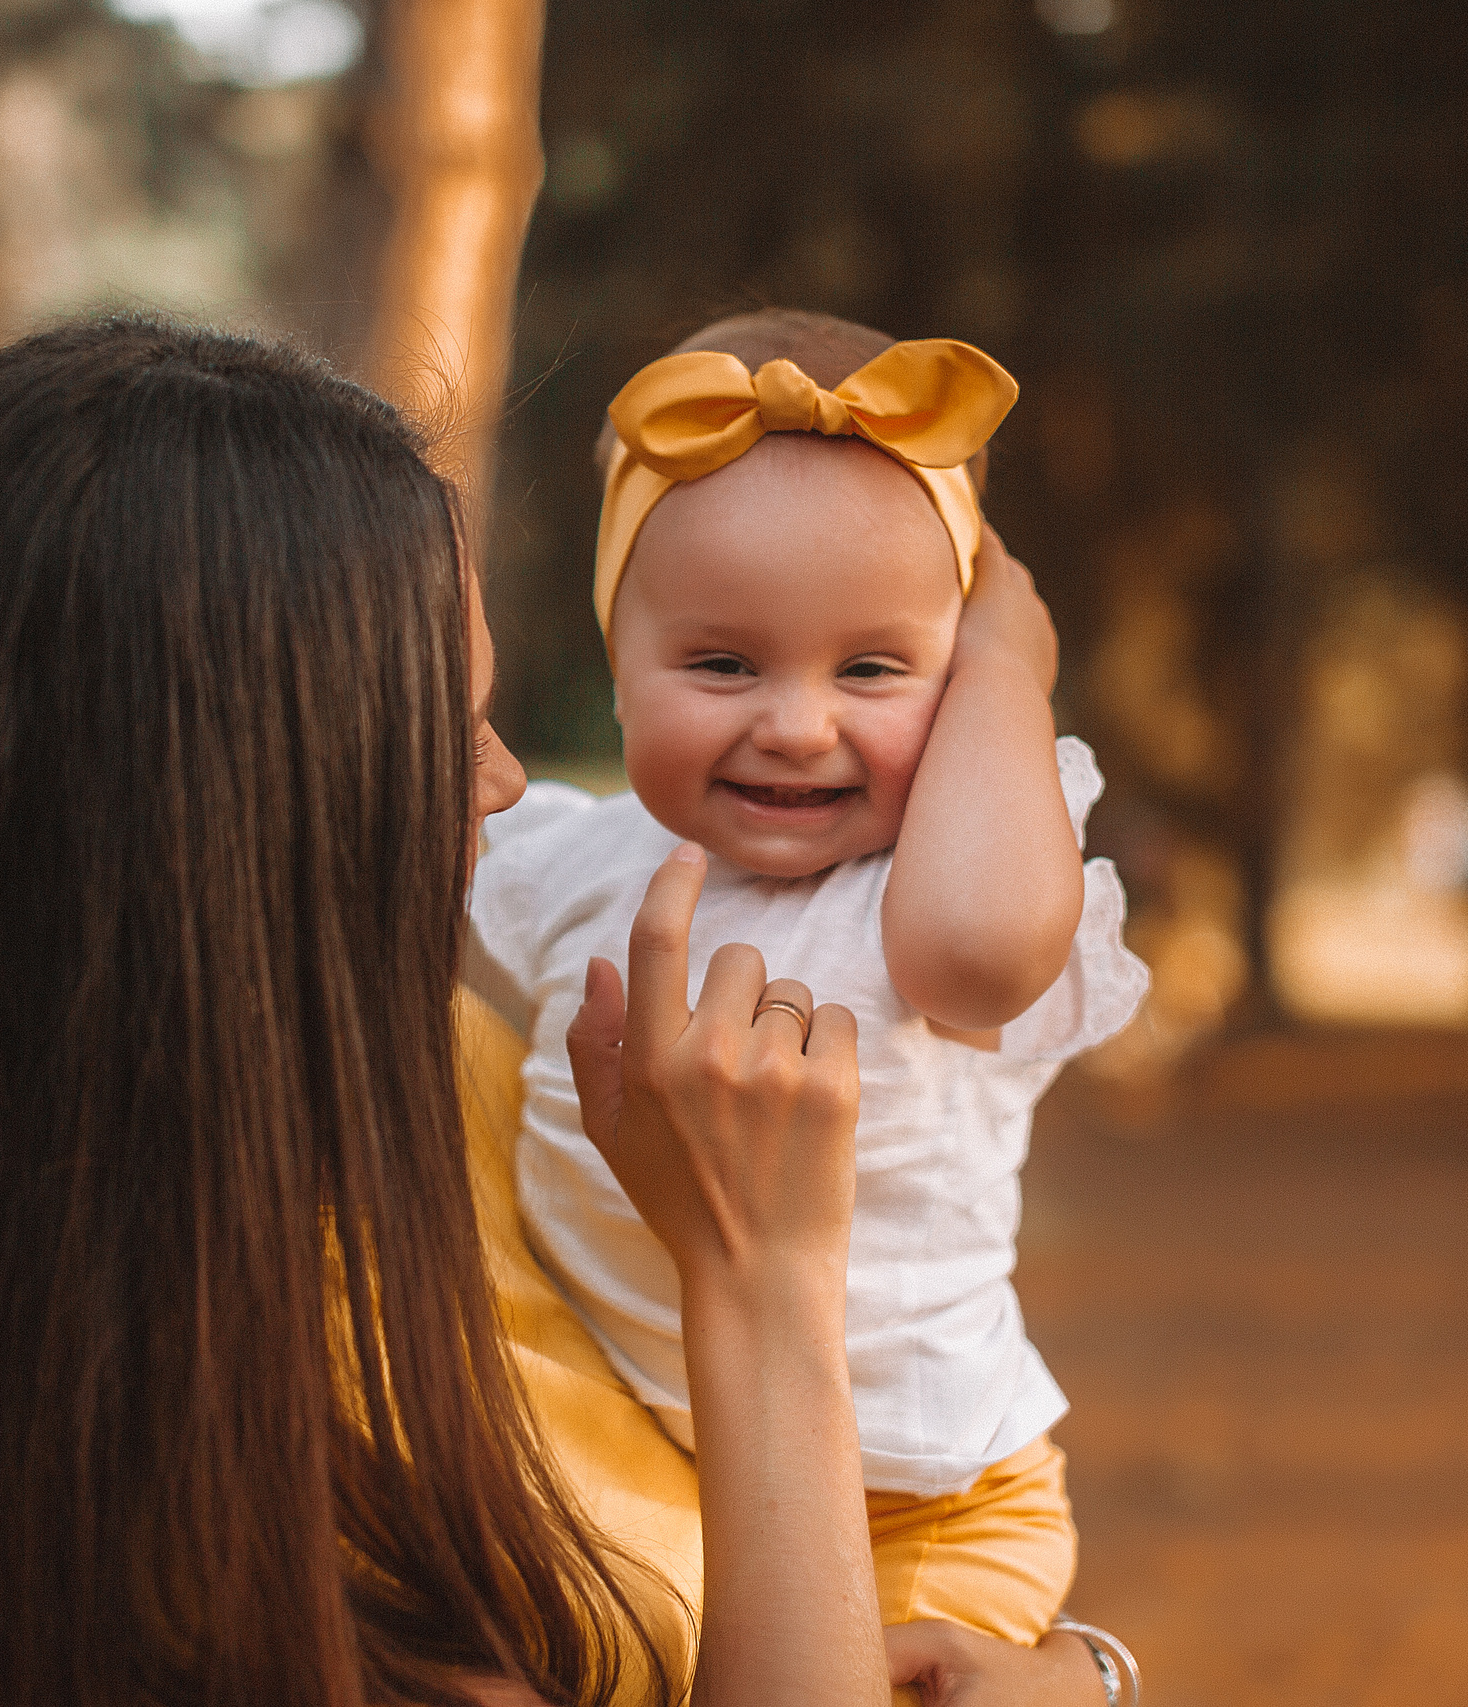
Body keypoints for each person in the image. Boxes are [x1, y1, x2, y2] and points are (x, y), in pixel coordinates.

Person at [0, 315, 1111, 1706]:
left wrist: (1084, 1677)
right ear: (225, 797)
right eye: (444, 724)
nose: (505, 785)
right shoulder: (203, 1441)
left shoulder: (444, 1069)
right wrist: (766, 1284)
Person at [465, 309, 1152, 1665]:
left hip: (922, 1513)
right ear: (618, 664)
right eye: (722, 663)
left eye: (875, 668)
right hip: (625, 1483)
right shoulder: (565, 865)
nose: (795, 724)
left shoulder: (940, 883)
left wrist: (1008, 660)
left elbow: (978, 955)